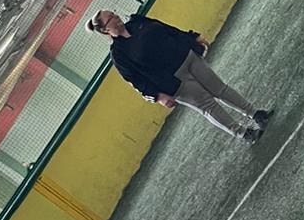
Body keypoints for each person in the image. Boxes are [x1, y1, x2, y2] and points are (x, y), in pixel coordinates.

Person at [87, 10, 270, 143]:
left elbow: (167, 29)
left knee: (221, 89)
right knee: (208, 106)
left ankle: (256, 114)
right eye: (110, 17)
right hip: (174, 82)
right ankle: (243, 133)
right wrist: (158, 96)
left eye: (113, 13)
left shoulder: (137, 21)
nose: (116, 16)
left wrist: (192, 37)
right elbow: (135, 81)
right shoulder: (118, 54)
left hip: (188, 57)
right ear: (105, 30)